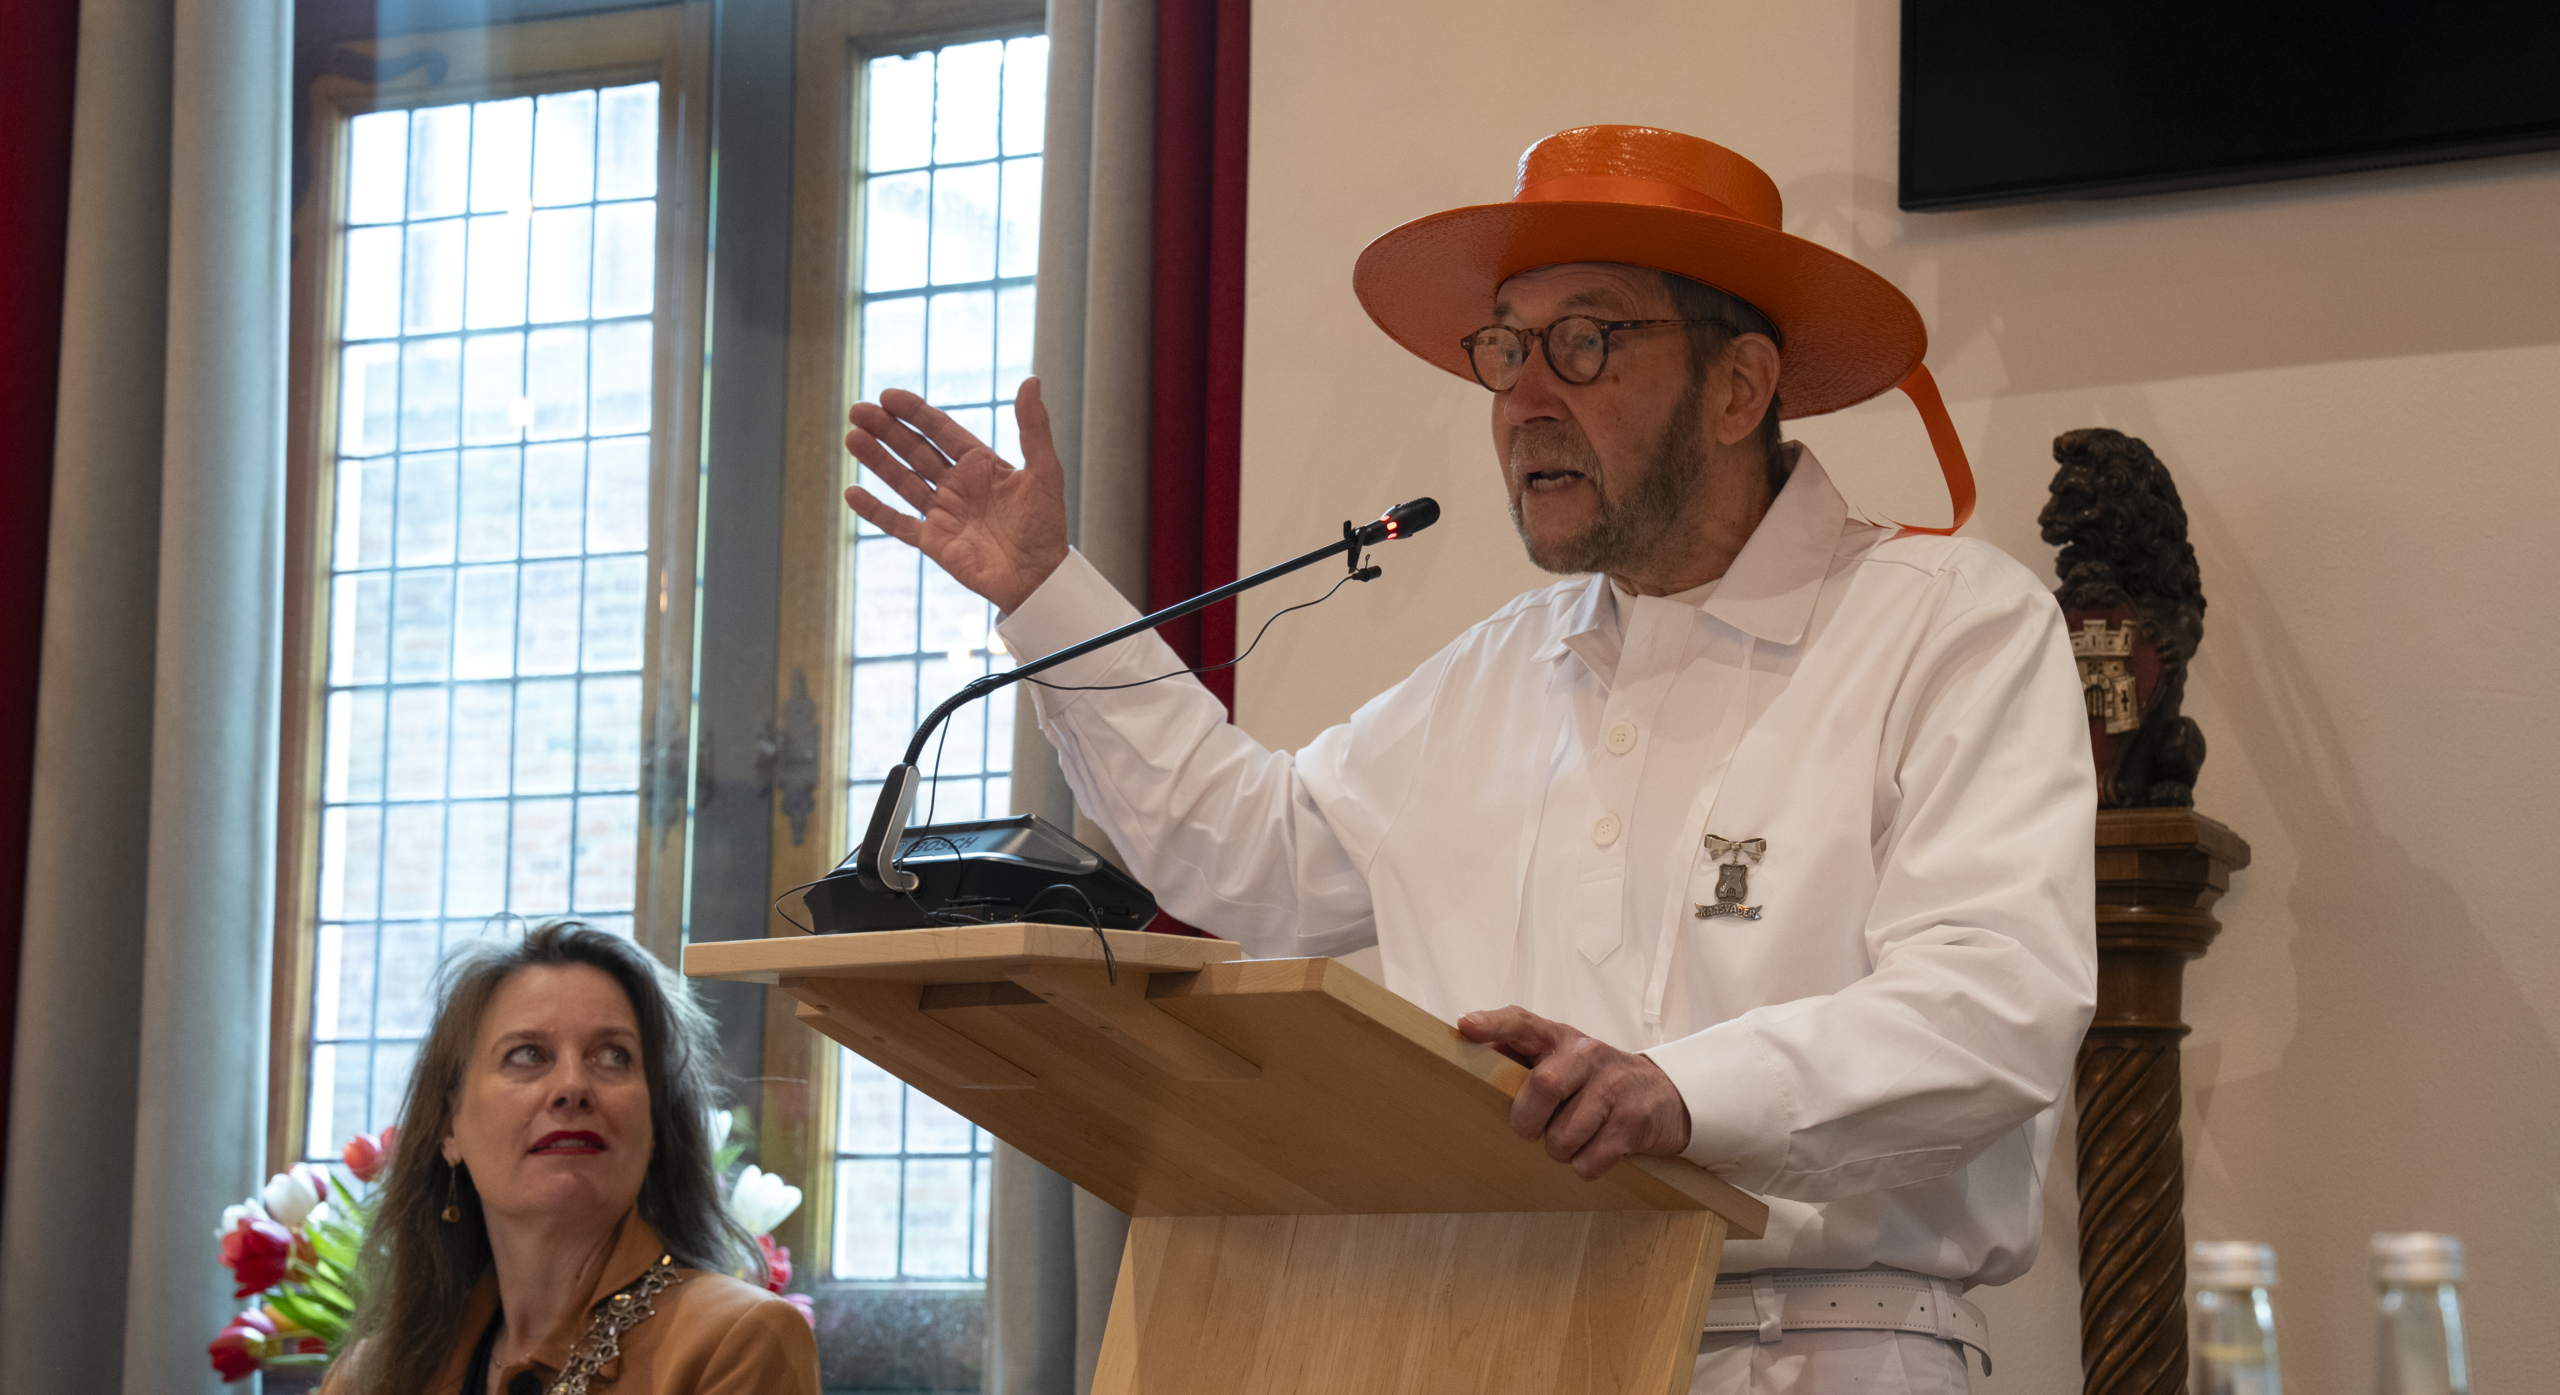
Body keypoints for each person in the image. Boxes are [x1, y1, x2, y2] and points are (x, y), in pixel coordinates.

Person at [842, 125, 2094, 1394]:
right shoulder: (1503, 665)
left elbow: (1996, 1007)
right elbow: (1250, 858)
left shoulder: (1946, 622)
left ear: (1738, 388)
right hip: (1487, 1336)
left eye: (1585, 340)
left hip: (1818, 1348)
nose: (1524, 399)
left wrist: (1681, 1092)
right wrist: (1049, 596)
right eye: (1503, 348)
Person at [321, 922, 818, 1395]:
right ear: (449, 1127)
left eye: (613, 1055)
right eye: (528, 1054)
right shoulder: (370, 1377)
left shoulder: (737, 1341)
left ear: (656, 1128)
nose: (572, 1087)